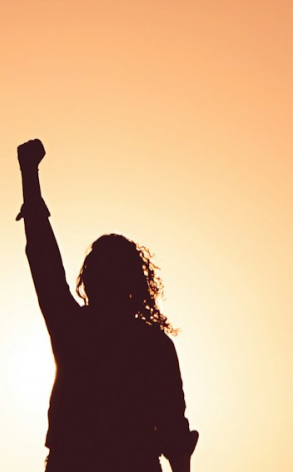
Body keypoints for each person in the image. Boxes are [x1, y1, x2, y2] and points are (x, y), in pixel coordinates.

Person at [16, 139, 199, 472]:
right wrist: (29, 178)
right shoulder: (152, 344)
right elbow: (174, 435)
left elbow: (44, 261)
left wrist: (30, 175)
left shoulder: (73, 328)